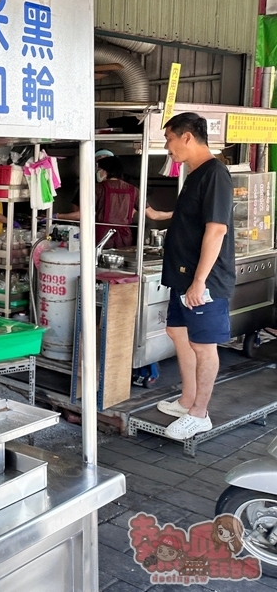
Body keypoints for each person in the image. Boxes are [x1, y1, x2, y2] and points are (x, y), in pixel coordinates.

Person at [146, 112, 234, 440]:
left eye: (169, 139)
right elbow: (194, 214)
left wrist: (199, 281)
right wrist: (162, 214)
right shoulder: (194, 174)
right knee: (177, 331)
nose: (167, 147)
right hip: (182, 276)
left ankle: (200, 414)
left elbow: (217, 229)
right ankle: (187, 401)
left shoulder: (215, 174)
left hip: (203, 280)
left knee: (203, 345)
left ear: (186, 137)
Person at [57, 156, 138, 250]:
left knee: (98, 261)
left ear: (106, 170)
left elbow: (82, 214)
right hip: (124, 238)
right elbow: (153, 215)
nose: (97, 172)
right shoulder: (133, 189)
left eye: (99, 169)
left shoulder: (97, 188)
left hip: (102, 237)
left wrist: (57, 216)